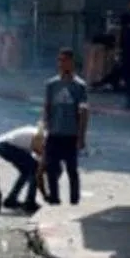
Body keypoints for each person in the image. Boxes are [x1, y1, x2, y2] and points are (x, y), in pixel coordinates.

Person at [43, 47, 89, 205]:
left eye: (65, 60)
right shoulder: (52, 84)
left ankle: (74, 200)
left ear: (72, 63)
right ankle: (54, 198)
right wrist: (45, 128)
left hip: (71, 134)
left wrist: (81, 136)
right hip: (54, 133)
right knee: (51, 169)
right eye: (60, 60)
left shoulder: (79, 86)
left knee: (72, 170)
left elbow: (83, 111)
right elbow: (47, 107)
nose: (62, 64)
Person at [0, 123, 43, 213]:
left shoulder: (39, 134)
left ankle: (11, 200)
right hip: (6, 146)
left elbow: (37, 153)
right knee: (35, 170)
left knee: (26, 172)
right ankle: (29, 202)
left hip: (2, 145)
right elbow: (39, 152)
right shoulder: (42, 136)